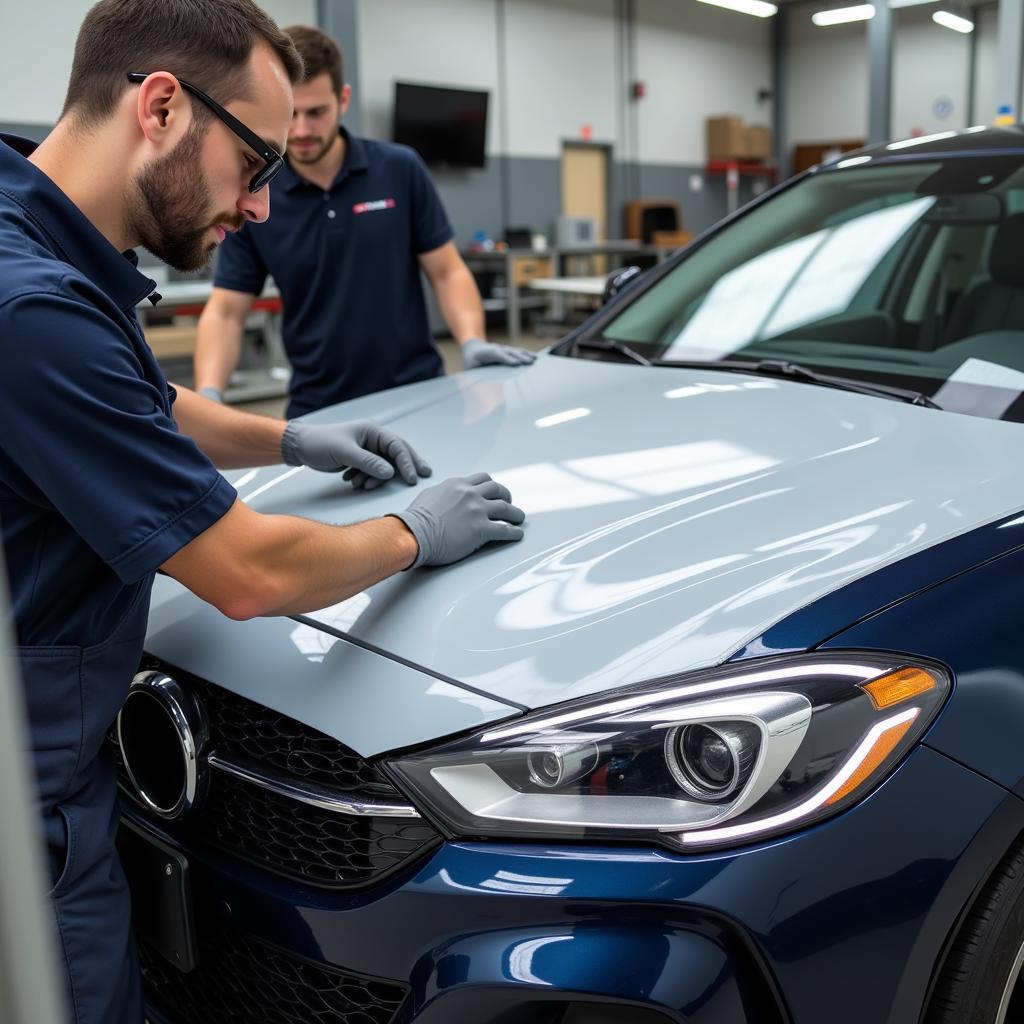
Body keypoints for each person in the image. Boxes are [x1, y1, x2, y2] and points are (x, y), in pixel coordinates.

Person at [0, 3, 526, 1022]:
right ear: (160, 106)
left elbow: (130, 397)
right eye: (252, 164)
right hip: (31, 799)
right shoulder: (33, 310)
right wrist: (417, 532)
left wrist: (282, 437)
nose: (256, 209)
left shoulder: (30, 232)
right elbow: (252, 575)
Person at [193, 24, 536, 418]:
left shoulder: (399, 168)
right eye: (292, 113)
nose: (302, 131)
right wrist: (209, 394)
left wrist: (472, 341)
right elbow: (226, 311)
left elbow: (447, 272)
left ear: (344, 99)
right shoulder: (255, 193)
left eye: (317, 112)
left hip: (419, 393)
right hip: (318, 409)